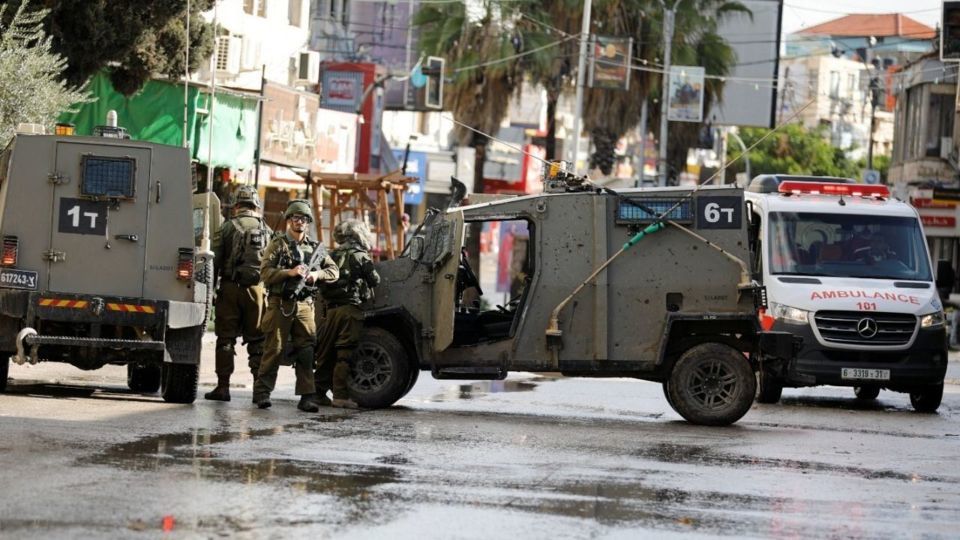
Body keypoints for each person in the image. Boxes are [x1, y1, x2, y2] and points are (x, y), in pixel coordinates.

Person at [253, 200, 339, 411]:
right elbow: (265, 273)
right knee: (274, 349)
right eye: (296, 218)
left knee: (306, 351)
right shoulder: (278, 244)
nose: (299, 222)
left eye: (304, 219)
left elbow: (334, 271)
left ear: (308, 222)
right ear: (289, 220)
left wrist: (316, 275)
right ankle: (262, 393)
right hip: (280, 304)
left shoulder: (315, 248)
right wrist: (288, 273)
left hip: (305, 306)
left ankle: (307, 396)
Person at [206, 186, 270, 402]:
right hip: (258, 291)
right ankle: (259, 392)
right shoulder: (266, 228)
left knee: (225, 339)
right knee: (258, 341)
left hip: (230, 289)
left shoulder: (227, 227)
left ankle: (223, 388)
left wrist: (210, 292)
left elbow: (214, 262)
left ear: (236, 205)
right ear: (256, 205)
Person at [315, 219, 381, 408]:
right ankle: (340, 396)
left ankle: (317, 393)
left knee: (326, 353)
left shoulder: (331, 254)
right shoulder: (361, 256)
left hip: (330, 310)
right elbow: (375, 280)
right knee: (344, 354)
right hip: (350, 310)